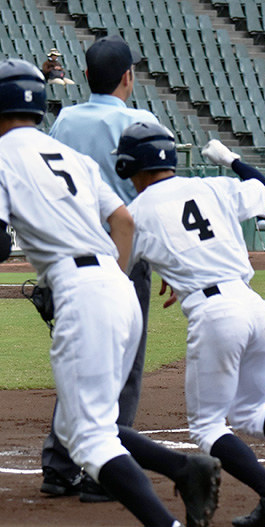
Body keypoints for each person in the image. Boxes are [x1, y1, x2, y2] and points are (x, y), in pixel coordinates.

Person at [0, 58, 221, 527]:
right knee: (85, 421)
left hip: (80, 289)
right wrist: (112, 282)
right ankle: (183, 467)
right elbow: (123, 220)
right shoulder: (72, 159)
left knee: (89, 437)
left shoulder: (5, 154)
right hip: (116, 286)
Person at [113, 125, 265, 526]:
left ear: (128, 166)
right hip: (252, 305)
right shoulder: (212, 187)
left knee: (208, 427)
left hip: (214, 314)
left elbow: (118, 269)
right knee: (248, 413)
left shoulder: (136, 213)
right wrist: (231, 160)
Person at [41, 34, 160, 501]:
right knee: (122, 367)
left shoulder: (65, 119)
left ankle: (58, 465)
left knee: (80, 361)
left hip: (68, 255)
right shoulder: (139, 119)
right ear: (128, 76)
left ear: (86, 76)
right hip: (123, 253)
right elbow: (154, 196)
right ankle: (104, 470)